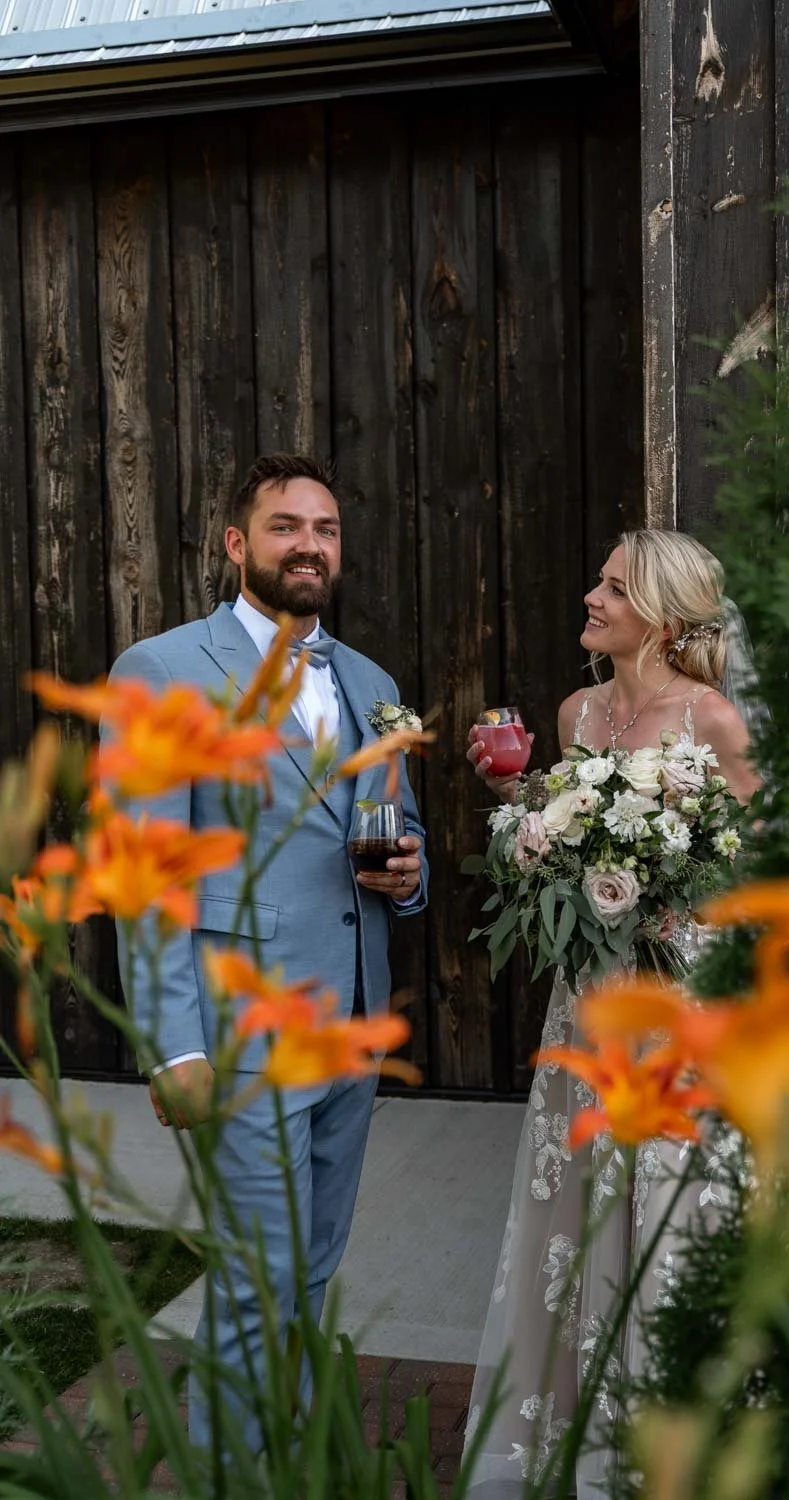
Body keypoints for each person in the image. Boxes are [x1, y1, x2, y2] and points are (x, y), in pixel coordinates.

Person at [102, 452, 427, 1451]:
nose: (309, 546)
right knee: (254, 1274)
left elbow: (401, 836)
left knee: (311, 1265)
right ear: (238, 544)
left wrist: (409, 879)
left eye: (324, 530)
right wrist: (172, 1046)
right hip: (238, 1032)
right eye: (286, 527)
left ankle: (277, 1456)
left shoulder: (371, 681)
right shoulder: (161, 671)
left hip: (349, 1025)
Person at [462, 530, 761, 1498]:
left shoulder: (712, 719)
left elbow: (757, 864)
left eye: (611, 586)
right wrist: (518, 807)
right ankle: (574, 1443)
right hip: (586, 1003)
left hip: (677, 1000)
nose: (589, 596)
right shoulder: (576, 711)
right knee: (576, 1200)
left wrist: (674, 884)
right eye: (595, 579)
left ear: (664, 617)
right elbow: (557, 846)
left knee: (667, 1198)